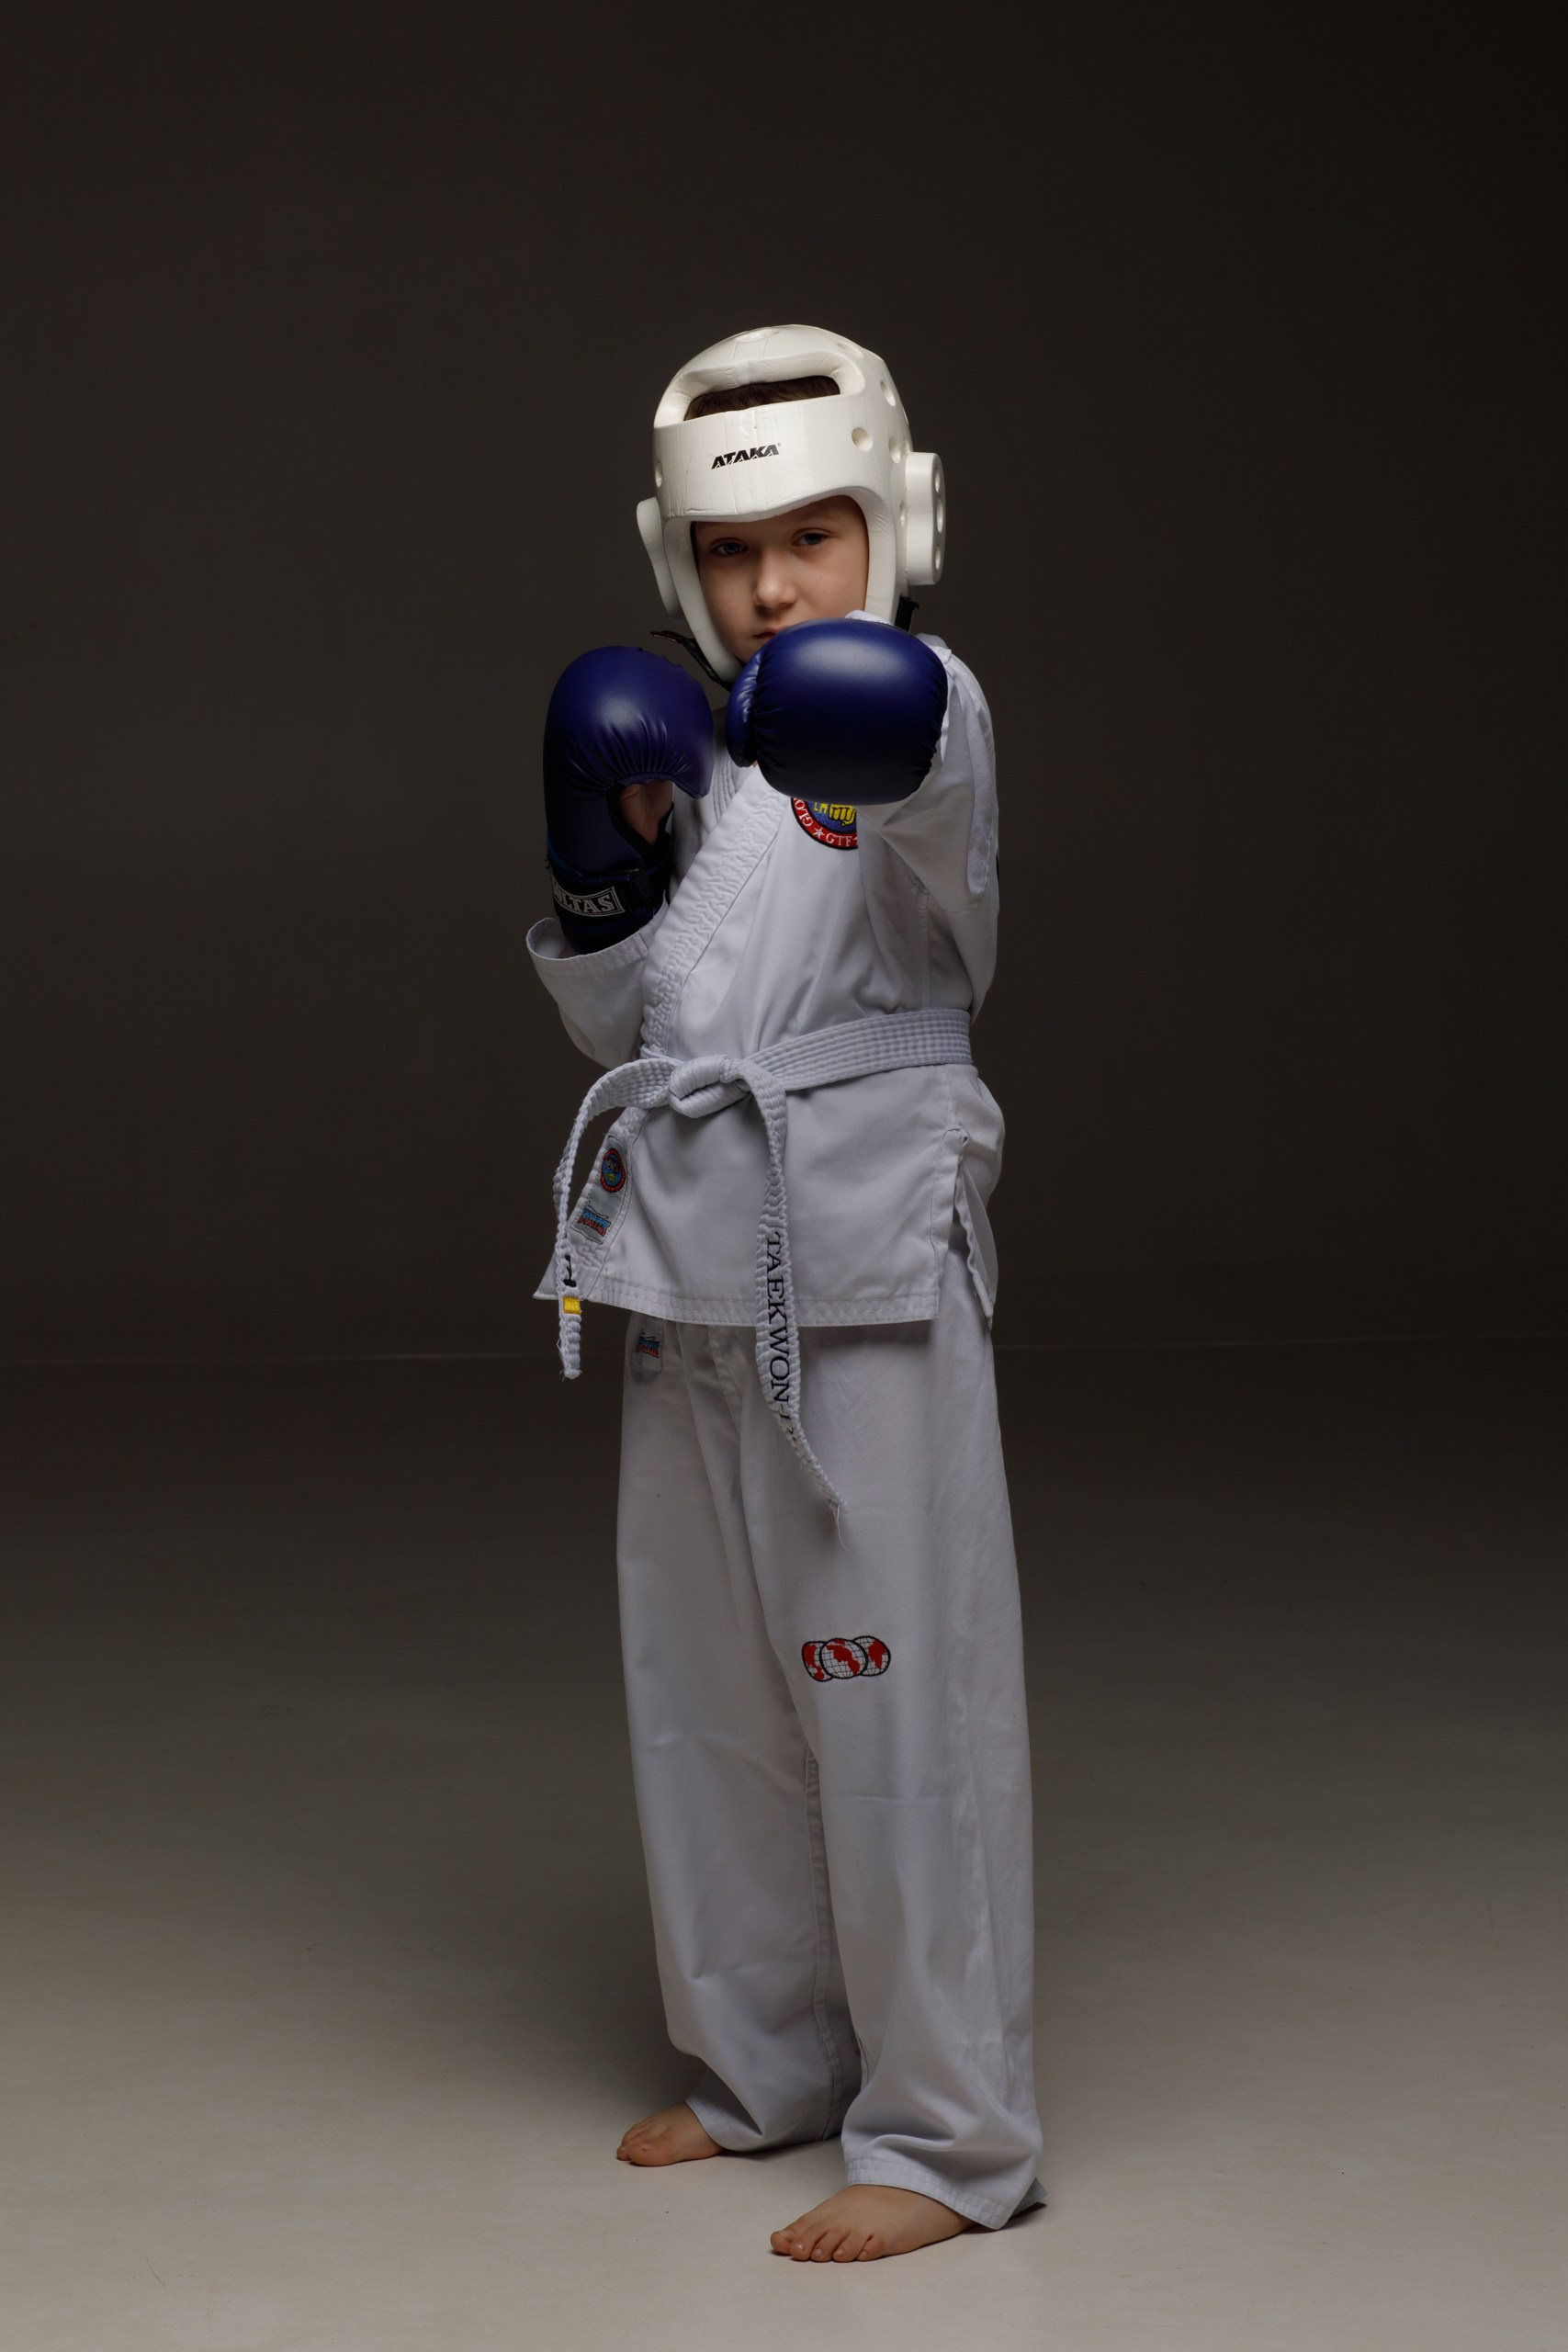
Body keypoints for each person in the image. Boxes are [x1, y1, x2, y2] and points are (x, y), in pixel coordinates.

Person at [528, 325, 1043, 2263]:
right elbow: (635, 1025)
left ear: (893, 527)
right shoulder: (690, 745)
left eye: (810, 537)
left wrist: (862, 695)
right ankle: (770, 2065)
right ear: (678, 559)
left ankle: (949, 2132)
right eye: (730, 551)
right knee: (713, 1704)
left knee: (899, 1713)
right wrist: (604, 886)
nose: (770, 589)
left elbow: (923, 782)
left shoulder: (915, 717)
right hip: (688, 1264)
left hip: (863, 1271)